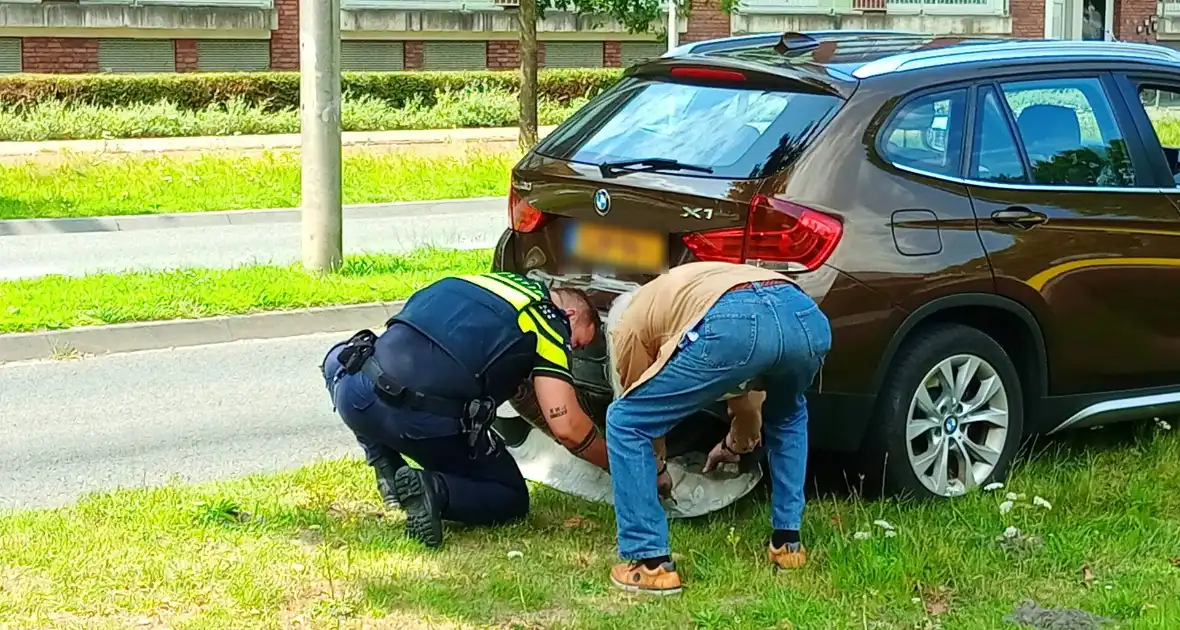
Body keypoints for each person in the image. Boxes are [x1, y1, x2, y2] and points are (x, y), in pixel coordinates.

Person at [320, 271, 610, 548]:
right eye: (578, 343)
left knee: (342, 358)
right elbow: (567, 426)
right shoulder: (546, 319)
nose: (573, 349)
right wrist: (620, 464)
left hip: (355, 393)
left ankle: (385, 464)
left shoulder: (473, 283)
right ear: (571, 316)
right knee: (510, 497)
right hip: (420, 424)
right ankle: (433, 489)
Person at [603, 261, 832, 594]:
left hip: (734, 322)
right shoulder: (686, 290)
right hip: (805, 317)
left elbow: (640, 409)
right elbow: (748, 394)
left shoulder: (629, 324)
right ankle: (788, 545)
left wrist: (656, 468)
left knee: (624, 421)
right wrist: (734, 445)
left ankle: (650, 563)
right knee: (788, 415)